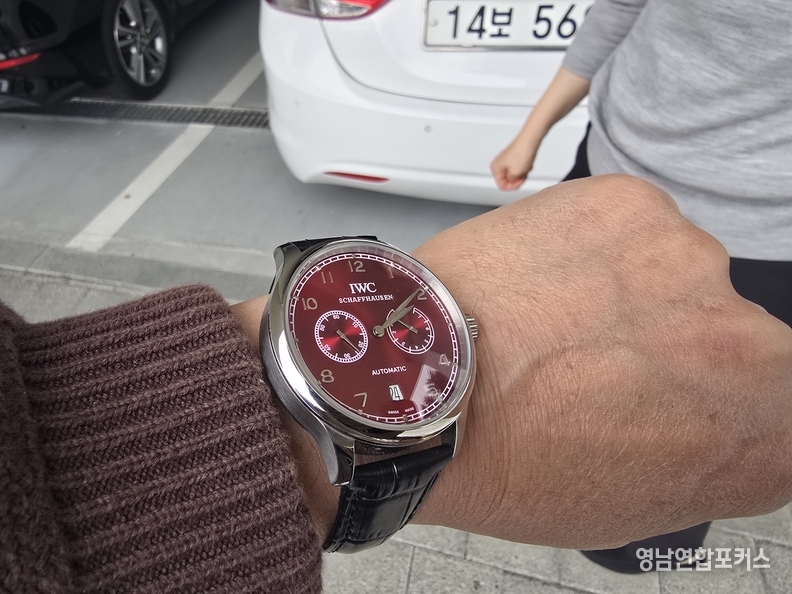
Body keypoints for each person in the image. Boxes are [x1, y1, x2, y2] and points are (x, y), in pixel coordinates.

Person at [3, 175, 792, 593]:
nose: (371, 336)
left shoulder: (414, 323)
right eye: (343, 337)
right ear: (282, 342)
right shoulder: (298, 345)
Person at [491, 1, 792, 571]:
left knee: (698, 424)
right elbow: (621, 8)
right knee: (558, 354)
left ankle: (642, 539)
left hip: (764, 230)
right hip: (613, 162)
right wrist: (532, 132)